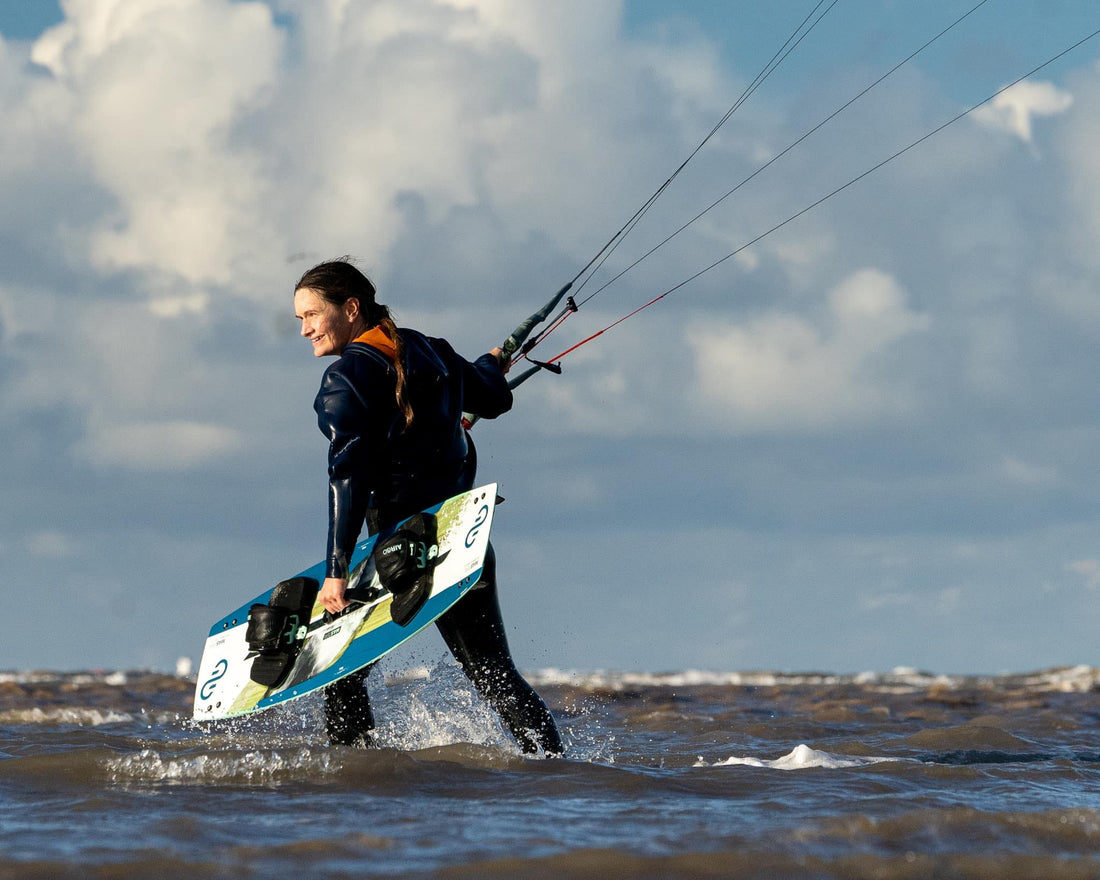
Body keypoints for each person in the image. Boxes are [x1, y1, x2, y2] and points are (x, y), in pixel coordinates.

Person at [293, 258, 563, 756]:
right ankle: (557, 772)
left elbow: (347, 478)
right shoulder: (428, 349)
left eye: (312, 315)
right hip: (463, 538)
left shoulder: (344, 379)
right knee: (494, 676)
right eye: (299, 320)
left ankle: (360, 783)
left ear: (350, 309)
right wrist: (487, 365)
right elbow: (493, 397)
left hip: (401, 556)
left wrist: (336, 572)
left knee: (341, 678)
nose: (305, 329)